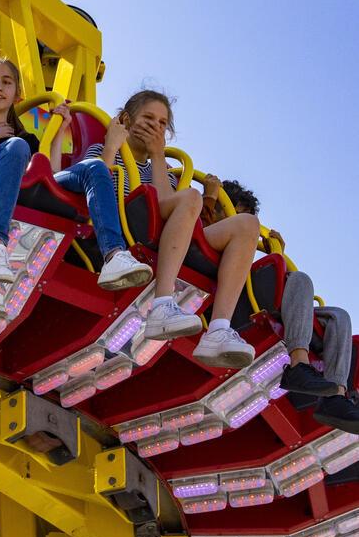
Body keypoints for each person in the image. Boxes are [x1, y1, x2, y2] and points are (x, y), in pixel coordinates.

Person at [0, 57, 152, 291]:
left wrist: (59, 131)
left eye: (6, 82)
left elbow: (53, 175)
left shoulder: (27, 138)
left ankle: (114, 254)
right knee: (16, 146)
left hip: (27, 187)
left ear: (17, 94)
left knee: (96, 167)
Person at [82, 90, 258, 369]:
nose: (155, 126)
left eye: (163, 123)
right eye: (148, 118)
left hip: (166, 232)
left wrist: (158, 155)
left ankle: (219, 328)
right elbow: (96, 184)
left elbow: (165, 200)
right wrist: (112, 145)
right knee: (191, 197)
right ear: (127, 119)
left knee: (247, 224)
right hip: (123, 223)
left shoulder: (160, 168)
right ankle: (162, 302)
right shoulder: (103, 150)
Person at [210, 180, 359, 430]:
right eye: (235, 212)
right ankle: (298, 365)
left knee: (339, 316)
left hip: (258, 295)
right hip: (235, 297)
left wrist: (278, 256)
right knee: (299, 278)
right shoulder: (206, 227)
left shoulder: (241, 244)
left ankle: (336, 396)